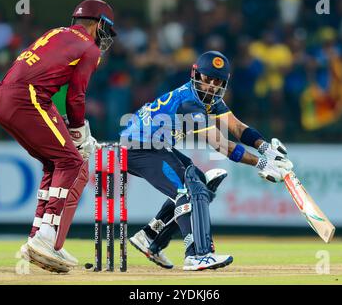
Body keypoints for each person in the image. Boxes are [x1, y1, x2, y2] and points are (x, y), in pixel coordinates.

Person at [120, 51, 293, 271]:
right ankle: (197, 255)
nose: (211, 85)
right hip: (138, 148)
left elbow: (238, 128)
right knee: (189, 192)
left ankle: (149, 237)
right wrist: (261, 164)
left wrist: (267, 149)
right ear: (196, 75)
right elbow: (220, 145)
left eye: (217, 81)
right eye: (207, 79)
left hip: (155, 146)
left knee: (198, 181)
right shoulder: (190, 103)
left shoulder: (210, 100)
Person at [0, 0, 116, 273]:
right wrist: (79, 130)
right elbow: (76, 96)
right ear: (100, 24)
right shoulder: (89, 49)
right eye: (107, 30)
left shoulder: (56, 32)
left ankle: (38, 235)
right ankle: (47, 235)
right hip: (26, 99)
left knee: (54, 162)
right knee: (71, 162)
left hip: (3, 96)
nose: (106, 38)